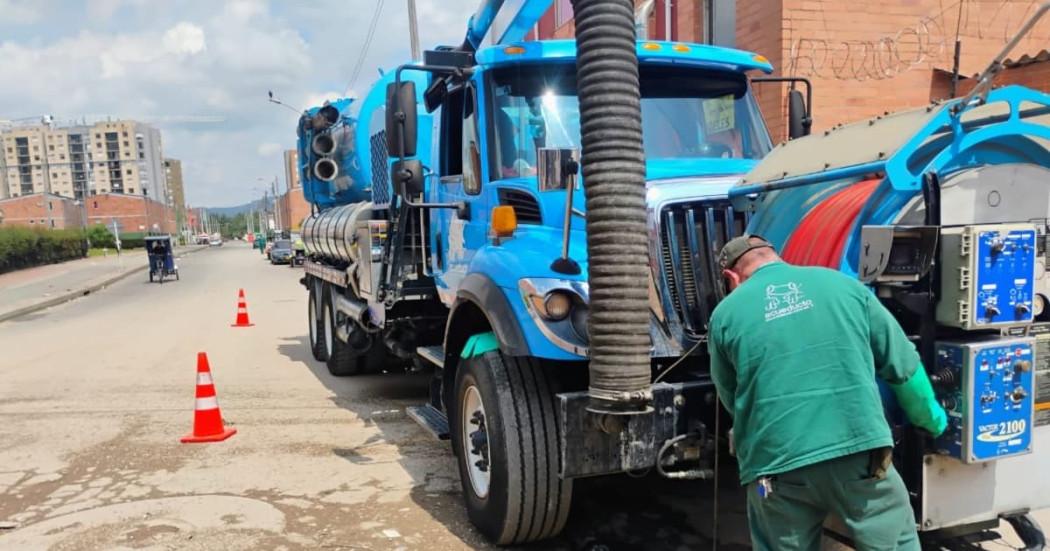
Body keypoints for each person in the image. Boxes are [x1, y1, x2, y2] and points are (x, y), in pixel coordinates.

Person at [708, 234, 948, 551]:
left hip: (777, 467)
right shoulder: (843, 286)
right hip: (860, 454)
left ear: (730, 277)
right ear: (776, 257)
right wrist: (933, 421)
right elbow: (904, 368)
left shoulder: (724, 315)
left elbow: (733, 398)